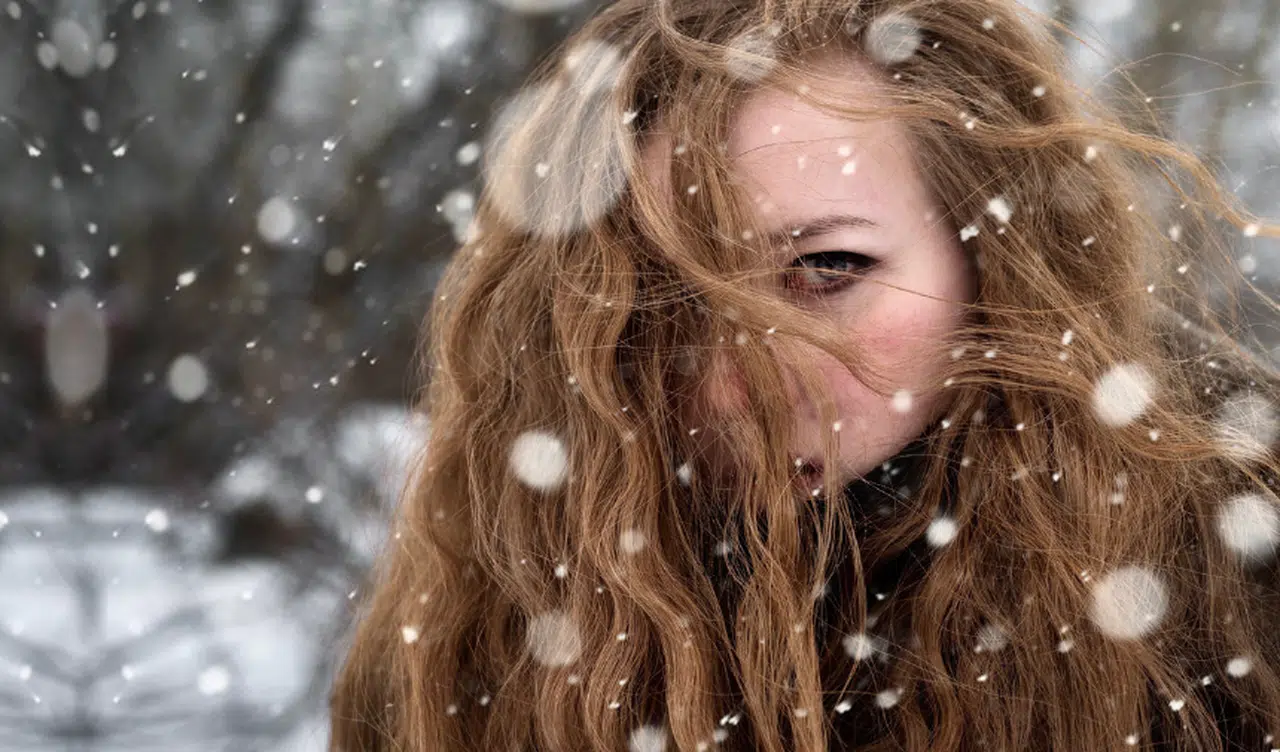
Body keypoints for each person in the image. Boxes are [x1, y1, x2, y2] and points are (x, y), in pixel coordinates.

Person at [328, 0, 1280, 749]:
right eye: (651, 305)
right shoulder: (484, 615)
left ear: (995, 254)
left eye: (827, 270)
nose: (733, 383)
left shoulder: (1238, 585)